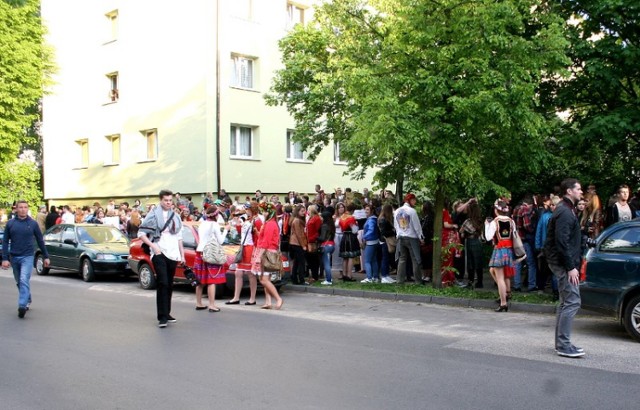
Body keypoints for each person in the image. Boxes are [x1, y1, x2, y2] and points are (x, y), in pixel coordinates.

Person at [544, 178, 585, 358]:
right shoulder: (565, 212)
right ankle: (563, 345)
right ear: (569, 191)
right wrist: (570, 267)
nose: (581, 192)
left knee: (565, 302)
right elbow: (561, 242)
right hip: (563, 264)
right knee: (572, 301)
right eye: (579, 189)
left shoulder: (566, 210)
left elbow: (566, 239)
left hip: (562, 262)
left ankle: (561, 343)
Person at [138, 190, 185, 328]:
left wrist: (182, 255)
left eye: (170, 200)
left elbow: (179, 237)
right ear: (160, 200)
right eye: (166, 200)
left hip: (173, 253)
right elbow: (141, 233)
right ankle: (161, 316)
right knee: (162, 282)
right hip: (159, 252)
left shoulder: (176, 216)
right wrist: (153, 246)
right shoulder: (152, 215)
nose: (168, 203)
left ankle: (167, 312)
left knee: (170, 283)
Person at [2, 201, 50, 318]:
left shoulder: (33, 224)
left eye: (25, 207)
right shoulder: (10, 224)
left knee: (24, 279)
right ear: (16, 209)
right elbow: (5, 241)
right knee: (19, 281)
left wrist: (46, 256)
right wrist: (5, 258)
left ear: (27, 209)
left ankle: (22, 305)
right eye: (21, 207)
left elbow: (40, 241)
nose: (23, 209)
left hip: (27, 256)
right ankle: (27, 298)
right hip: (14, 256)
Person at [194, 205, 229, 312]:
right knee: (211, 280)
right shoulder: (214, 225)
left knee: (200, 280)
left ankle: (199, 303)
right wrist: (226, 230)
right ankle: (212, 305)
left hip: (200, 251)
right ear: (215, 215)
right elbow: (221, 241)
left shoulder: (202, 223)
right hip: (210, 253)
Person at [226, 202, 261, 305]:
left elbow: (258, 236)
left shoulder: (257, 220)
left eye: (247, 209)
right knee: (238, 272)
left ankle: (252, 298)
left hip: (250, 248)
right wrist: (237, 223)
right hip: (243, 246)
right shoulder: (246, 219)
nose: (245, 211)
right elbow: (242, 232)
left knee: (250, 274)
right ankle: (236, 297)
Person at [485, 200, 516, 312]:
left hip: (499, 249)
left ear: (496, 210)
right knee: (500, 273)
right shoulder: (511, 221)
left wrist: (486, 225)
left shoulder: (494, 222)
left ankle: (503, 302)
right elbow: (514, 235)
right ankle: (506, 292)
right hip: (508, 249)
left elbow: (488, 237)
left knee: (500, 277)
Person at [252, 202, 283, 309]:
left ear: (269, 212)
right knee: (265, 279)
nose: (263, 214)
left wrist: (258, 256)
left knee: (264, 280)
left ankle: (278, 299)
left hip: (267, 253)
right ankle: (268, 301)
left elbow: (266, 241)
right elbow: (262, 238)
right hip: (267, 251)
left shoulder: (270, 224)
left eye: (265, 212)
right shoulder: (269, 223)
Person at [393, 193, 424, 285]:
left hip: (400, 236)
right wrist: (421, 237)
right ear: (410, 200)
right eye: (414, 200)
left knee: (402, 259)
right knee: (415, 259)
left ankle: (399, 280)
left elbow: (395, 225)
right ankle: (418, 281)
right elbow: (417, 226)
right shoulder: (412, 211)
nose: (415, 202)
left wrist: (398, 234)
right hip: (411, 237)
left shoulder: (397, 211)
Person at [460, 200, 484, 288]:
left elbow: (461, 231)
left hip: (470, 241)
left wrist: (464, 233)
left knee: (470, 263)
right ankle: (480, 282)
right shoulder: (480, 220)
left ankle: (470, 282)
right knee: (479, 262)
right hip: (479, 241)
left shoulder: (468, 221)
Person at [338, 203, 360, 281]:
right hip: (350, 237)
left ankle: (344, 274)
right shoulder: (351, 218)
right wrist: (357, 225)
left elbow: (341, 228)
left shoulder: (342, 217)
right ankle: (349, 275)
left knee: (345, 257)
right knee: (350, 257)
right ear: (353, 210)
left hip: (344, 236)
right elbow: (354, 230)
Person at [289, 204, 308, 285]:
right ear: (297, 211)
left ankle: (294, 279)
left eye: (304, 211)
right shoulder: (297, 221)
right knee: (301, 262)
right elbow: (299, 234)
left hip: (295, 242)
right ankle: (301, 279)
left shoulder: (296, 219)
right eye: (302, 211)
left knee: (297, 262)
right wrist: (303, 245)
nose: (304, 212)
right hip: (297, 243)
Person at [378, 204, 397, 284]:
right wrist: (393, 231)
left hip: (384, 240)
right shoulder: (384, 220)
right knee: (385, 259)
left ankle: (386, 275)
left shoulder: (384, 219)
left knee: (387, 258)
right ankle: (384, 276)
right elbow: (383, 232)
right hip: (385, 241)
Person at [361, 204, 380, 283]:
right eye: (365, 209)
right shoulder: (374, 219)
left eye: (368, 210)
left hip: (370, 242)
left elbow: (371, 230)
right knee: (374, 260)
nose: (366, 211)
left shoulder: (371, 220)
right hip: (375, 241)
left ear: (371, 211)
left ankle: (369, 278)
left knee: (367, 261)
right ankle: (375, 277)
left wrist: (364, 237)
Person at [306, 205, 322, 282]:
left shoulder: (317, 218)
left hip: (313, 241)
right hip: (309, 241)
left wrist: (312, 238)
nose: (307, 212)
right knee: (311, 259)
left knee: (314, 260)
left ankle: (315, 276)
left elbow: (318, 231)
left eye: (308, 210)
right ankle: (313, 275)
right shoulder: (311, 218)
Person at [318, 211, 336, 285]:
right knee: (327, 262)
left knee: (326, 263)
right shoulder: (332, 225)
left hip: (326, 246)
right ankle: (329, 278)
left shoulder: (324, 226)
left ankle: (328, 280)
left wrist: (316, 237)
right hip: (332, 245)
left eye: (322, 217)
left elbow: (322, 238)